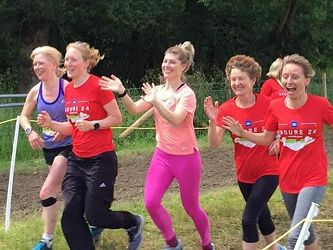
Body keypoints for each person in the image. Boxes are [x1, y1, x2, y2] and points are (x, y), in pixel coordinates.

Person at [99, 41, 215, 250]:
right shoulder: (158, 90)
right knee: (151, 202)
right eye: (164, 61)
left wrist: (156, 101)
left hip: (186, 158)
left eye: (172, 62)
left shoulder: (186, 94)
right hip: (163, 156)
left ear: (184, 66)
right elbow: (134, 109)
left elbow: (176, 119)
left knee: (191, 207)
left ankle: (207, 244)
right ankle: (172, 243)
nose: (166, 65)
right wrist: (122, 92)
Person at [37, 41, 143, 250]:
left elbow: (116, 118)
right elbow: (74, 126)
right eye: (66, 59)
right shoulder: (69, 90)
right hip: (77, 160)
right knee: (70, 217)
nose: (68, 63)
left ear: (86, 63)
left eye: (73, 59)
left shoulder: (98, 86)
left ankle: (133, 222)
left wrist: (94, 125)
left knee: (95, 215)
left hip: (101, 160)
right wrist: (52, 124)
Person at [221, 54, 333, 250]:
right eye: (286, 77)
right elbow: (266, 138)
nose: (289, 81)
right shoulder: (276, 107)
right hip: (288, 179)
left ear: (306, 80)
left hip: (314, 178)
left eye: (295, 77)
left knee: (295, 237)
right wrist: (243, 132)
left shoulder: (320, 104)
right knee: (306, 236)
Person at [204, 55, 284, 250]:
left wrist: (280, 139)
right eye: (233, 79)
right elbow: (214, 143)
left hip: (269, 170)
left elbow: (286, 126)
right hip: (244, 174)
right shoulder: (226, 108)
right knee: (261, 212)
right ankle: (276, 248)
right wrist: (213, 121)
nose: (237, 83)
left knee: (249, 220)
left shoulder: (269, 104)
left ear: (253, 80)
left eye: (241, 79)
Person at [20, 46, 72, 250]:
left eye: (40, 63)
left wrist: (65, 127)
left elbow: (78, 113)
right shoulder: (36, 90)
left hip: (69, 146)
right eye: (34, 64)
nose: (36, 67)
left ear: (53, 64)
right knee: (61, 192)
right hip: (48, 148)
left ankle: (46, 240)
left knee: (47, 191)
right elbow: (23, 116)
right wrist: (29, 132)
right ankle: (50, 239)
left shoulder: (66, 87)